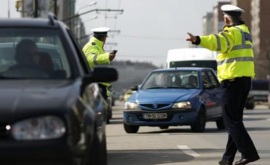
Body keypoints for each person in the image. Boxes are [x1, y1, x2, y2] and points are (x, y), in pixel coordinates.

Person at [186, 4, 259, 165]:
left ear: (226, 19)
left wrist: (198, 39)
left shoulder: (231, 33)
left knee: (230, 121)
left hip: (232, 81)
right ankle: (227, 159)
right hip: (244, 80)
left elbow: (217, 41)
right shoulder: (245, 32)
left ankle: (249, 153)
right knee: (235, 120)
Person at [82, 27, 117, 100]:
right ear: (103, 38)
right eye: (106, 37)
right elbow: (91, 58)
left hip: (99, 86)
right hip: (96, 86)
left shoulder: (97, 46)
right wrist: (107, 56)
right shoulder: (92, 46)